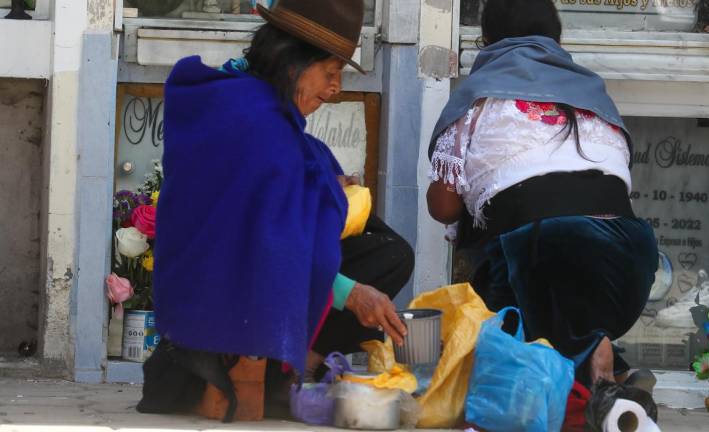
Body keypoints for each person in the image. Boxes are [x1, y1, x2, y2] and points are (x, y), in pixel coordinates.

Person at [143, 0, 413, 415]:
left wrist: (324, 185)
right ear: (292, 64)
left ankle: (286, 360)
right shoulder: (260, 124)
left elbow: (271, 197)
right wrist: (352, 292)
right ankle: (268, 369)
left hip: (212, 281)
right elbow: (271, 242)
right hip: (223, 292)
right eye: (329, 73)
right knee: (374, 258)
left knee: (385, 249)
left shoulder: (238, 96)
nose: (335, 88)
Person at [426, 0, 657, 386]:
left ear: (487, 40)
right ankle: (610, 371)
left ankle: (591, 355)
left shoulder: (480, 95)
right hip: (633, 259)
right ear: (556, 38)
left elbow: (445, 206)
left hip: (548, 247)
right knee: (555, 309)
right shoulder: (593, 94)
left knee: (501, 341)